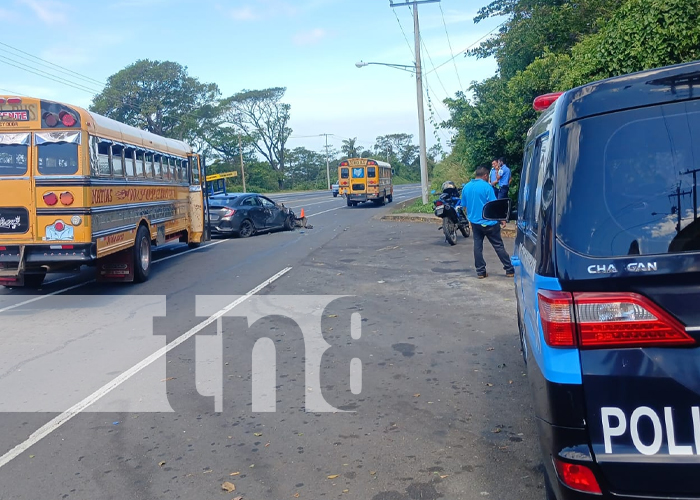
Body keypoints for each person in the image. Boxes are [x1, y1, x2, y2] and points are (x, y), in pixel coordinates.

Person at [461, 165, 515, 279]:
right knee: (498, 246)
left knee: (477, 246)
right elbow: (494, 206)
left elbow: (464, 207)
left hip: (475, 223)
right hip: (490, 222)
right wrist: (502, 220)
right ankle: (509, 269)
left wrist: (471, 218)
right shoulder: (487, 187)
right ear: (485, 175)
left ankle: (480, 271)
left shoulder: (466, 187)